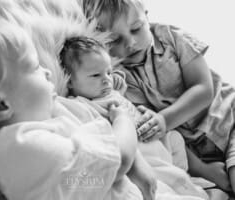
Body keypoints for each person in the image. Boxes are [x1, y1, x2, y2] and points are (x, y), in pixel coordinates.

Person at [0, 17, 147, 200]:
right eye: (36, 67)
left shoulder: (28, 129)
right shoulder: (25, 148)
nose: (48, 71)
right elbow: (119, 160)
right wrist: (122, 119)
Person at [81, 0, 234, 193]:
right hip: (198, 150)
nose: (130, 43)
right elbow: (158, 133)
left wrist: (164, 119)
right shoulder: (118, 78)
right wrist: (204, 169)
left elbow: (203, 89)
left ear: (146, 16)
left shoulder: (173, 38)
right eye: (115, 41)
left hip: (228, 118)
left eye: (136, 29)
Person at [59, 35, 208, 200]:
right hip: (144, 157)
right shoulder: (82, 104)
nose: (106, 80)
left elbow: (117, 95)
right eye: (95, 75)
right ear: (70, 81)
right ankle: (189, 190)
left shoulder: (110, 91)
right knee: (177, 180)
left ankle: (184, 177)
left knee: (176, 139)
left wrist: (118, 90)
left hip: (157, 141)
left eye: (108, 72)